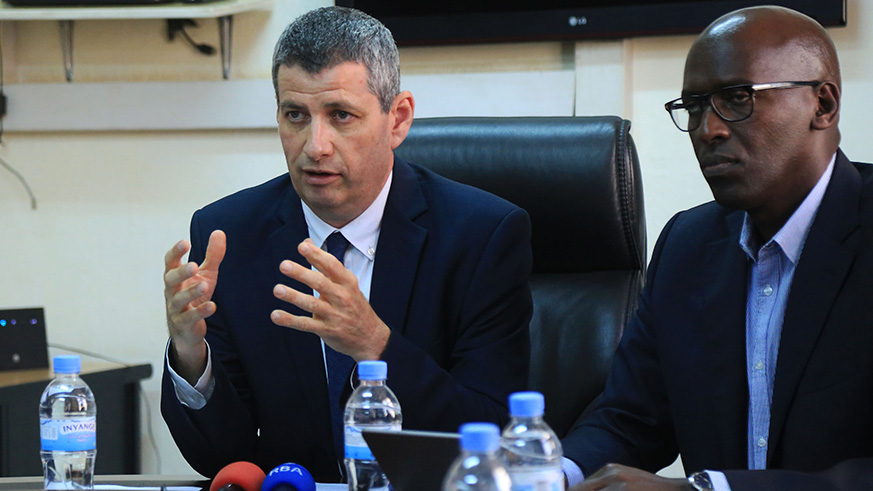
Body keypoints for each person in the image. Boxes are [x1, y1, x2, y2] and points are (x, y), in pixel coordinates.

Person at [159, 6, 532, 482]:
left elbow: (490, 433)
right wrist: (190, 353)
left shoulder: (481, 236)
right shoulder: (230, 235)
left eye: (341, 116)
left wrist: (374, 343)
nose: (315, 145)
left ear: (397, 119)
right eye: (296, 115)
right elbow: (225, 460)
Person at [563, 6, 873, 491]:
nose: (709, 129)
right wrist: (548, 474)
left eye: (737, 97)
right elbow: (631, 417)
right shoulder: (688, 246)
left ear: (824, 105)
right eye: (694, 107)